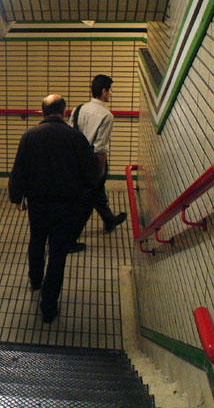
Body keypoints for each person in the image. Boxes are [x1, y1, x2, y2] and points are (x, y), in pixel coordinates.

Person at [9, 94, 99, 323]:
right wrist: (85, 192)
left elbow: (19, 169)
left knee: (37, 240)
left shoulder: (30, 136)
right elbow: (91, 173)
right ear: (64, 112)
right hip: (66, 204)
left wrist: (16, 197)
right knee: (58, 253)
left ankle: (35, 280)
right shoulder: (75, 137)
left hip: (37, 203)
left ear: (43, 112)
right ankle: (48, 307)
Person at [67, 74, 127, 247]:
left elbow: (71, 135)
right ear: (104, 91)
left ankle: (109, 220)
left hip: (77, 159)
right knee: (88, 201)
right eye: (110, 90)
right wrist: (100, 172)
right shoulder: (106, 115)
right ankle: (70, 239)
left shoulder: (78, 109)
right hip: (94, 160)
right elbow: (101, 147)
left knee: (96, 193)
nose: (111, 94)